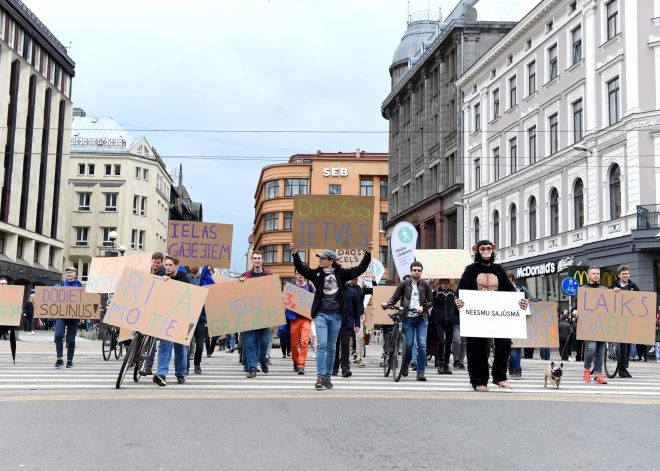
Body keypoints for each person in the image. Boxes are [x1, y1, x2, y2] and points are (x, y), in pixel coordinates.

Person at [291, 242, 373, 390]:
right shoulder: (317, 274)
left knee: (331, 348)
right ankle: (320, 376)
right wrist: (295, 254)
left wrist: (367, 253)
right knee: (322, 345)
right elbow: (302, 269)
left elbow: (360, 269)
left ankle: (328, 376)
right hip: (321, 315)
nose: (319, 260)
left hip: (336, 316)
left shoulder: (342, 274)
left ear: (331, 261)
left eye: (322, 258)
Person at [454, 240, 529, 392]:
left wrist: (520, 303)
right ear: (477, 250)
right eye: (483, 249)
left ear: (493, 249)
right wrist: (459, 302)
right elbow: (461, 291)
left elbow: (510, 292)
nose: (487, 251)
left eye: (489, 249)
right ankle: (479, 380)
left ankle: (500, 376)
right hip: (476, 315)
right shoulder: (471, 270)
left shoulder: (499, 270)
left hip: (498, 315)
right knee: (477, 347)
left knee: (504, 343)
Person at [382, 262, 434, 381]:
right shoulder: (404, 284)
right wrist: (388, 303)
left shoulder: (425, 285)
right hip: (407, 318)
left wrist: (423, 307)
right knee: (409, 344)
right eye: (415, 270)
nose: (417, 272)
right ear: (411, 271)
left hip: (421, 318)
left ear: (421, 272)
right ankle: (406, 363)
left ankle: (420, 372)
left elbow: (431, 301)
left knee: (421, 344)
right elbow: (395, 297)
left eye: (419, 270)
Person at [153, 255, 191, 386]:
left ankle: (180, 373)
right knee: (164, 346)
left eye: (170, 265)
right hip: (166, 317)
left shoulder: (184, 278)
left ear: (176, 266)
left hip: (181, 318)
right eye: (166, 265)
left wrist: (171, 283)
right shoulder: (162, 277)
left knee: (181, 348)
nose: (167, 267)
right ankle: (161, 373)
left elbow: (188, 295)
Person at [571, 266, 608, 384]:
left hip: (602, 324)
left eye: (598, 273)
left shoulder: (605, 289)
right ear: (589, 275)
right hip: (589, 324)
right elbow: (574, 304)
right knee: (591, 348)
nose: (596, 275)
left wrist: (616, 292)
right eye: (594, 273)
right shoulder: (582, 289)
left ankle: (598, 374)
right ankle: (587, 370)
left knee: (600, 351)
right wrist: (574, 310)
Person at [240, 251, 274, 378]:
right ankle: (252, 369)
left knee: (264, 342)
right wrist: (240, 283)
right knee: (250, 343)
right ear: (252, 260)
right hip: (249, 314)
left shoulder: (269, 275)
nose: (257, 260)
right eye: (255, 258)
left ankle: (262, 360)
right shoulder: (246, 275)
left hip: (264, 314)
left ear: (262, 260)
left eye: (259, 258)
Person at [609, 265, 639, 378]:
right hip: (617, 320)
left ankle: (624, 366)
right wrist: (612, 291)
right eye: (623, 274)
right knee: (622, 344)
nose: (625, 275)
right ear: (619, 275)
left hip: (629, 320)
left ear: (629, 274)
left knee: (628, 345)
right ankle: (622, 368)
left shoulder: (633, 287)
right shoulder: (613, 286)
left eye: (627, 273)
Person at [54, 267, 84, 368]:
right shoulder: (61, 285)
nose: (68, 274)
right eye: (67, 272)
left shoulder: (80, 286)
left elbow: (86, 299)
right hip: (61, 314)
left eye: (70, 272)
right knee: (58, 335)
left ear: (75, 273)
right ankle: (59, 358)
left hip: (74, 315)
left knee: (71, 339)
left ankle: (70, 360)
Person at [187, 265, 215, 374]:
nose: (193, 266)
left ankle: (197, 363)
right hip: (187, 316)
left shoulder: (205, 279)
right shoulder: (185, 278)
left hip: (201, 317)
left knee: (199, 345)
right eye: (191, 264)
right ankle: (186, 366)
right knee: (186, 344)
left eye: (196, 264)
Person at [287, 270, 315, 375]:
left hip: (306, 319)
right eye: (298, 273)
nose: (300, 275)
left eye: (302, 273)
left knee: (304, 341)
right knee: (294, 344)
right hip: (294, 318)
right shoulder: (291, 288)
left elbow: (315, 300)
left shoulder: (311, 288)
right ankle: (295, 359)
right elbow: (286, 301)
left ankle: (301, 365)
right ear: (295, 275)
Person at [333, 283, 361, 377]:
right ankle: (334, 367)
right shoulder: (333, 290)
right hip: (335, 321)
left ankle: (345, 368)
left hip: (347, 323)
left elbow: (356, 310)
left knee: (345, 346)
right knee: (334, 346)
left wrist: (357, 324)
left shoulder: (352, 292)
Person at [432, 279, 456, 375]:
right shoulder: (436, 294)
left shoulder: (453, 294)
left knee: (448, 344)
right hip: (439, 321)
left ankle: (446, 364)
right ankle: (440, 363)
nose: (445, 285)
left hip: (450, 321)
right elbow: (431, 303)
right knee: (441, 342)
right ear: (440, 284)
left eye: (447, 283)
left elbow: (458, 307)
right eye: (443, 283)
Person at [347, 277, 371, 367]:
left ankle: (358, 358)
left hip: (358, 315)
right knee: (347, 336)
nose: (354, 280)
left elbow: (374, 290)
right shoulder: (346, 288)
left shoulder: (361, 288)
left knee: (359, 336)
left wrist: (372, 281)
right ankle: (346, 358)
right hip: (348, 315)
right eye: (353, 279)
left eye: (356, 279)